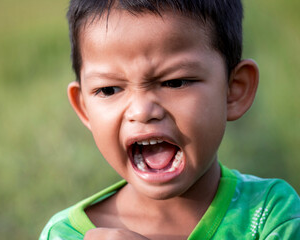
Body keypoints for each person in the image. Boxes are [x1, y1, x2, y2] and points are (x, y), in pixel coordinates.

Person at [39, 0, 300, 239]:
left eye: (174, 82)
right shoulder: (64, 234)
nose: (141, 111)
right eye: (109, 89)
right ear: (84, 108)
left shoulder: (270, 215)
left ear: (234, 90)